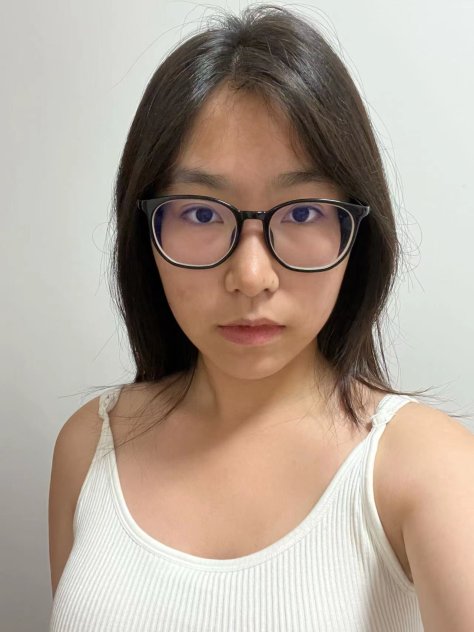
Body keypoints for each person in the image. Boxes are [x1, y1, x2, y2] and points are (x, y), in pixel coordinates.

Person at [48, 4, 474, 631]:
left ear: (357, 232)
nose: (251, 276)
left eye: (302, 213)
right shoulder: (90, 446)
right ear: (146, 233)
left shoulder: (429, 467)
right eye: (200, 213)